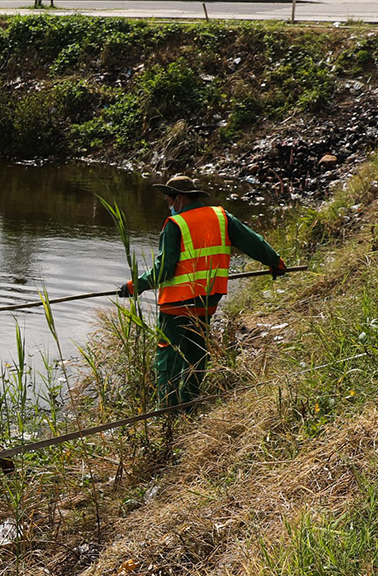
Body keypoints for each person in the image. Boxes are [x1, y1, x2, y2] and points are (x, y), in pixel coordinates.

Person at [119, 174, 287, 407]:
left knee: (169, 354)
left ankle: (167, 411)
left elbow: (164, 269)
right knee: (196, 352)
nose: (168, 205)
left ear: (179, 199)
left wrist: (134, 286)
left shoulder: (175, 225)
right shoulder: (221, 217)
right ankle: (189, 402)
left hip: (177, 304)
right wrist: (275, 262)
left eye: (169, 199)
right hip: (207, 301)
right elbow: (253, 242)